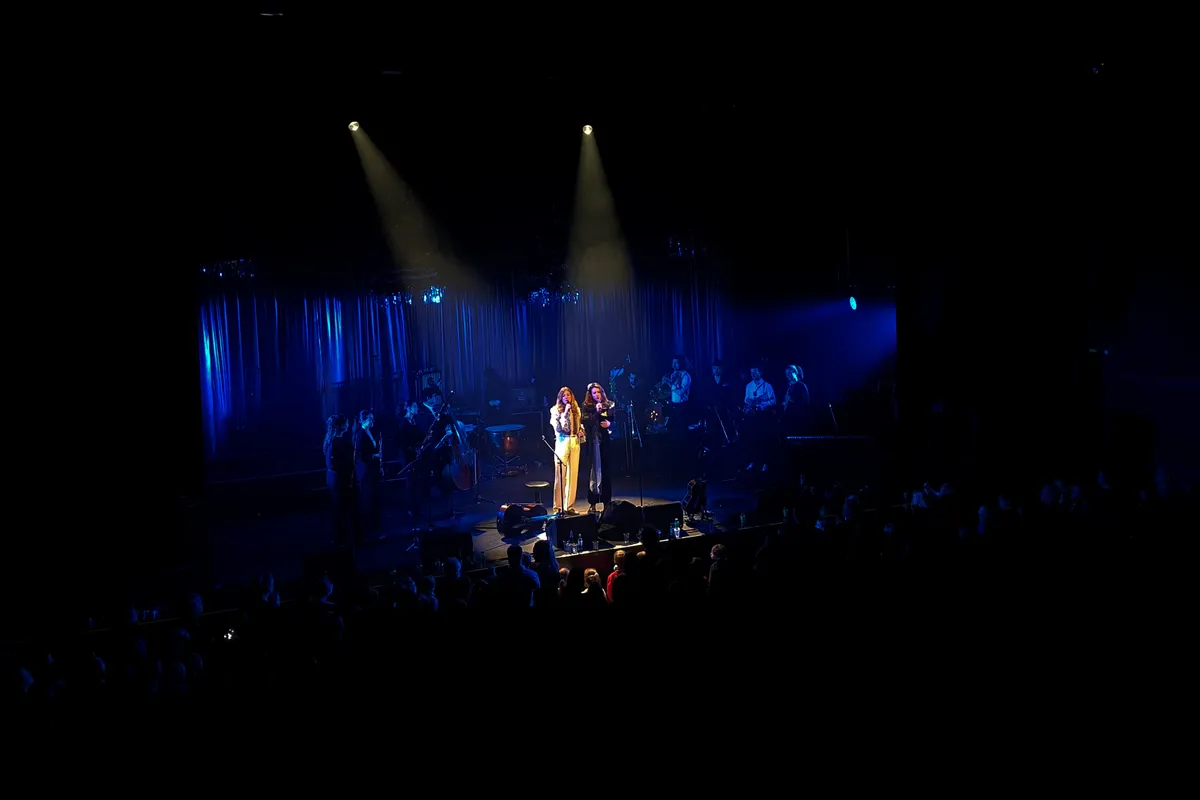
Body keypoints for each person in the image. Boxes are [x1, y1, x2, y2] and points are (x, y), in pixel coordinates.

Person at [580, 382, 615, 513]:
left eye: (599, 392)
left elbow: (614, 420)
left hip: (605, 442)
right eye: (594, 393)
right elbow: (586, 421)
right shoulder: (587, 406)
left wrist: (610, 424)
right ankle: (593, 503)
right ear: (590, 394)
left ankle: (607, 502)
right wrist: (596, 411)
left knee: (605, 472)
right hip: (593, 442)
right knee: (593, 472)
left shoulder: (609, 404)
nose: (597, 395)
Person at [549, 386, 583, 514]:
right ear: (560, 397)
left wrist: (581, 431)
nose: (566, 397)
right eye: (564, 395)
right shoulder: (555, 410)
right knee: (560, 474)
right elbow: (559, 428)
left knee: (573, 475)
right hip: (562, 441)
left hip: (574, 441)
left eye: (568, 395)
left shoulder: (576, 410)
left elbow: (580, 424)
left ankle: (569, 506)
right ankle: (558, 507)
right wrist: (565, 413)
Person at [323, 414, 355, 545]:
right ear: (342, 426)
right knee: (340, 508)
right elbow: (341, 463)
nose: (348, 425)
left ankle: (340, 536)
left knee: (339, 507)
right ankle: (340, 537)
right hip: (338, 478)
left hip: (333, 477)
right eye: (346, 423)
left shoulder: (331, 440)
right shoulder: (338, 442)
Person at [353, 409, 383, 537]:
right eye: (370, 418)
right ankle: (368, 524)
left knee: (374, 496)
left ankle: (375, 523)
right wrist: (374, 456)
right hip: (365, 469)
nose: (373, 421)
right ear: (364, 420)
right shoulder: (360, 434)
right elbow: (359, 454)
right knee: (368, 497)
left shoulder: (371, 431)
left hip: (372, 468)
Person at [743, 366, 777, 472]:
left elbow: (773, 401)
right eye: (751, 372)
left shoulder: (767, 386)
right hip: (752, 417)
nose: (752, 374)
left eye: (755, 372)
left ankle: (765, 462)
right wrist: (749, 401)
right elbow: (745, 399)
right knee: (752, 439)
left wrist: (761, 403)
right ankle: (753, 461)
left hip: (763, 416)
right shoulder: (748, 386)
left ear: (760, 372)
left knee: (763, 440)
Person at [782, 364, 810, 433]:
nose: (787, 375)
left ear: (795, 372)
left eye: (789, 372)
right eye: (786, 373)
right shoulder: (788, 385)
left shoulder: (801, 386)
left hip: (798, 418)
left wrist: (792, 400)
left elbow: (806, 403)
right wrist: (784, 403)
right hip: (789, 417)